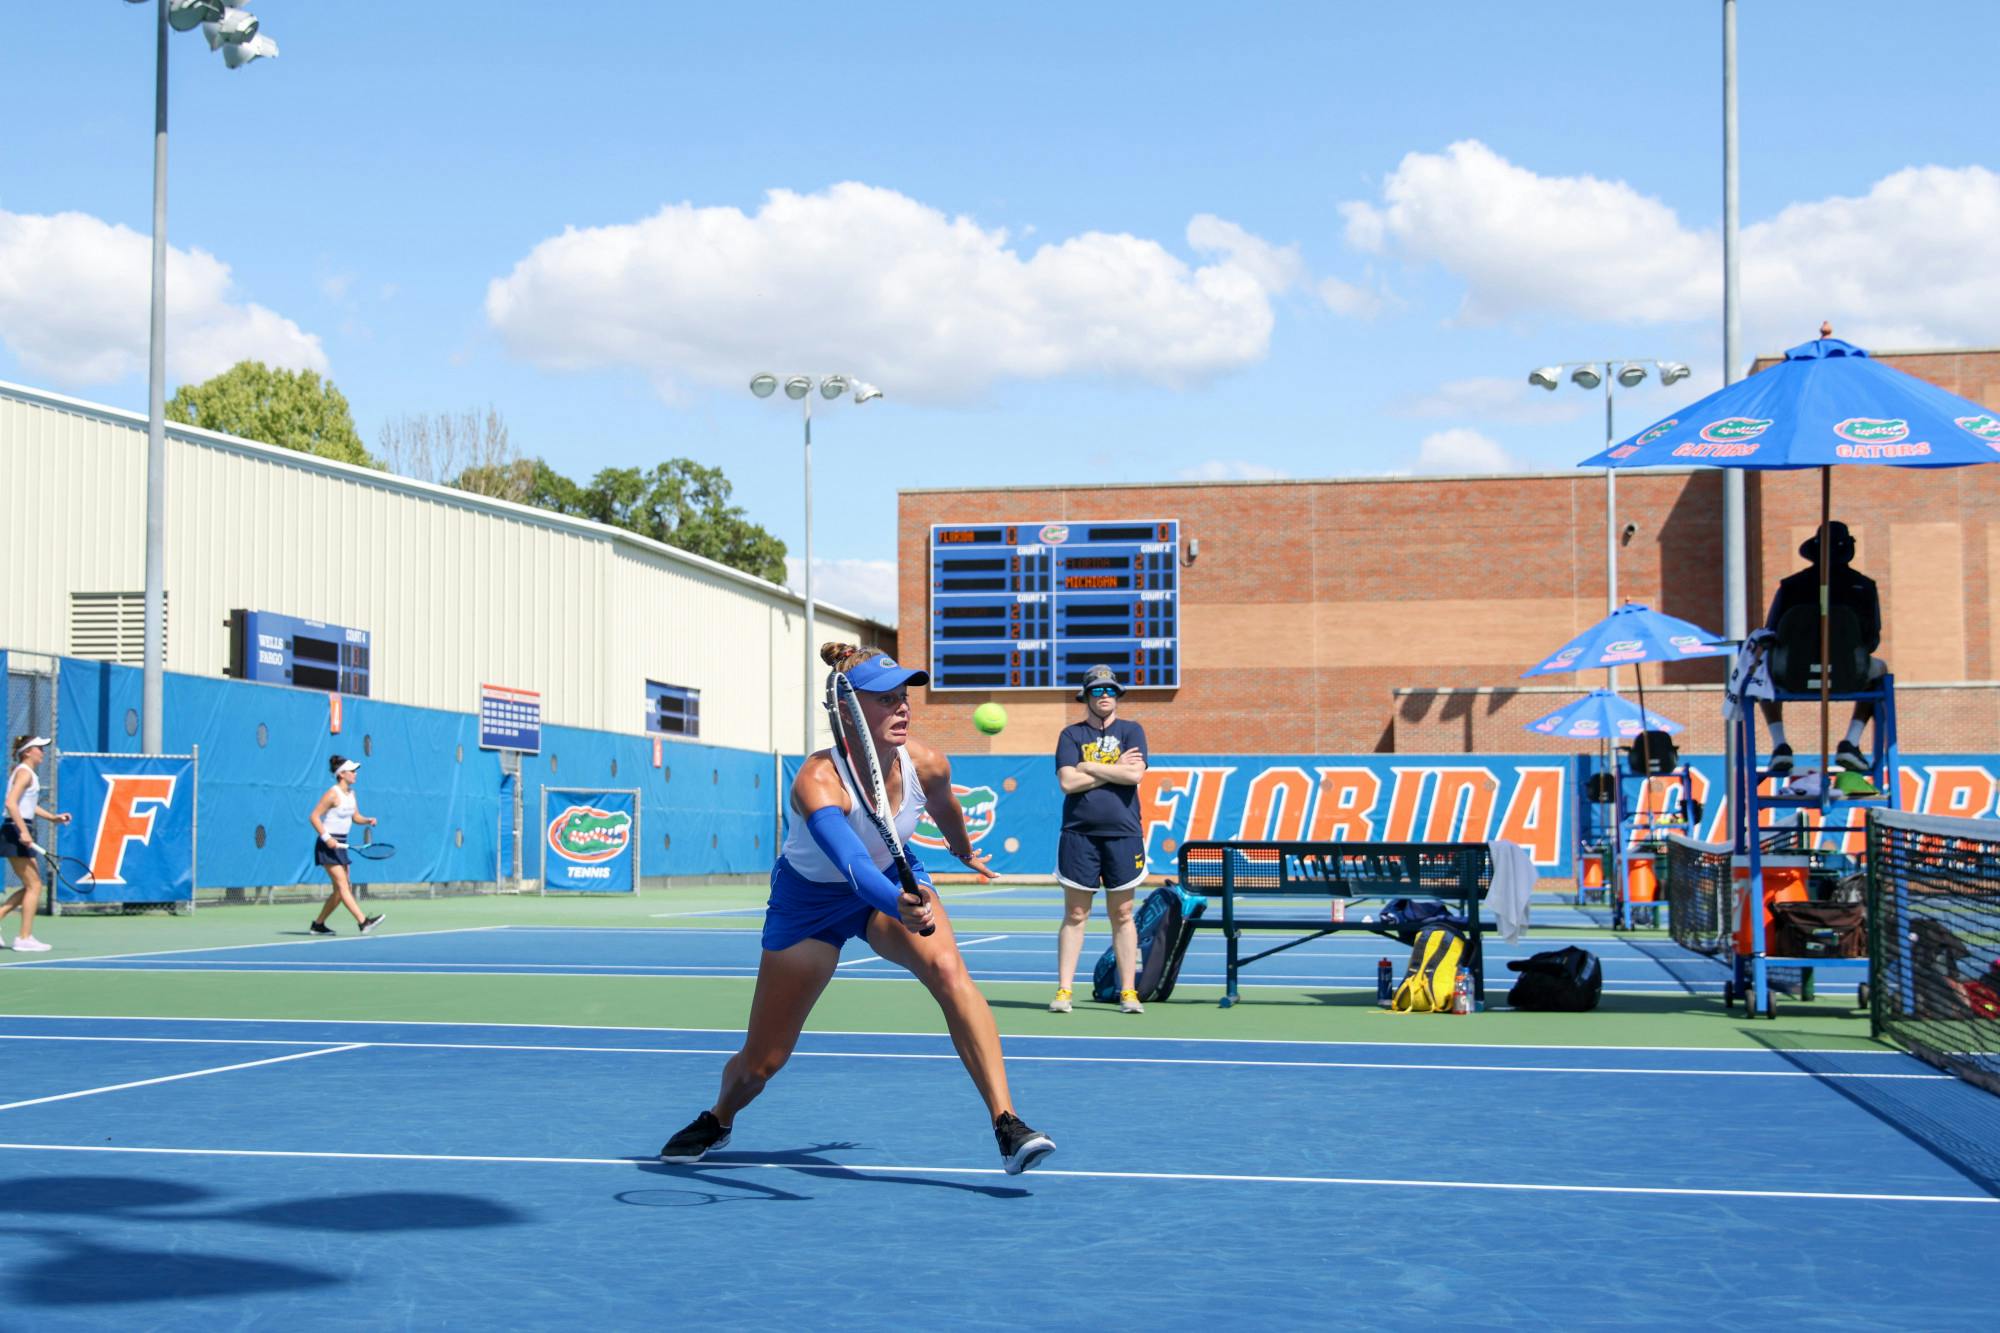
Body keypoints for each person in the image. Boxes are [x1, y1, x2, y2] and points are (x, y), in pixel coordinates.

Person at [657, 643, 1056, 1175]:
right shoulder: (816, 781)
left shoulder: (926, 762)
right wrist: (897, 902)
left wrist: (961, 850)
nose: (903, 708)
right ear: (847, 709)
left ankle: (1008, 1125)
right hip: (811, 905)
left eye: (904, 696)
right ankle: (720, 1116)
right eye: (885, 699)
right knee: (762, 1063)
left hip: (893, 879)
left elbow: (946, 809)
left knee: (947, 969)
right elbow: (849, 864)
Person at [1050, 664, 1150, 1015]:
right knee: (1076, 913)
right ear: (1086, 696)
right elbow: (1067, 783)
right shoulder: (1071, 735)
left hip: (1124, 834)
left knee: (1123, 913)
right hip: (1079, 834)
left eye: (1109, 690)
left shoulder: (1132, 731)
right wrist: (1113, 771)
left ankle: (1128, 992)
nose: (1104, 695)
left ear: (1117, 695)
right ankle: (1064, 991)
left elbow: (1135, 774)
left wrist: (1089, 767)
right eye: (1097, 691)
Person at [1759, 520, 1885, 774]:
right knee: (1881, 671)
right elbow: (1872, 641)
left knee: (1759, 668)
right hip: (1848, 675)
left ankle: (1780, 745)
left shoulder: (1791, 586)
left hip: (1791, 674)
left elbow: (1770, 634)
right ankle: (1851, 742)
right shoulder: (1864, 587)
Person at [0, 736, 69, 952]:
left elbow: (26, 805)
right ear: (28, 752)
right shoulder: (23, 772)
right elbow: (11, 803)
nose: (43, 752)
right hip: (15, 830)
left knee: (33, 884)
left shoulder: (27, 773)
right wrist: (22, 831)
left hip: (19, 828)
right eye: (39, 748)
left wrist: (52, 817)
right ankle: (24, 938)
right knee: (35, 885)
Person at [308, 755, 385, 935]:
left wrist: (367, 820)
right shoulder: (332, 793)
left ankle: (318, 925)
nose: (355, 774)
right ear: (341, 774)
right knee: (343, 886)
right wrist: (327, 838)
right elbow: (314, 817)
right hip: (327, 844)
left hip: (341, 844)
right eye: (352, 771)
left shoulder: (351, 794)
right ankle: (363, 922)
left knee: (341, 890)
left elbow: (355, 817)